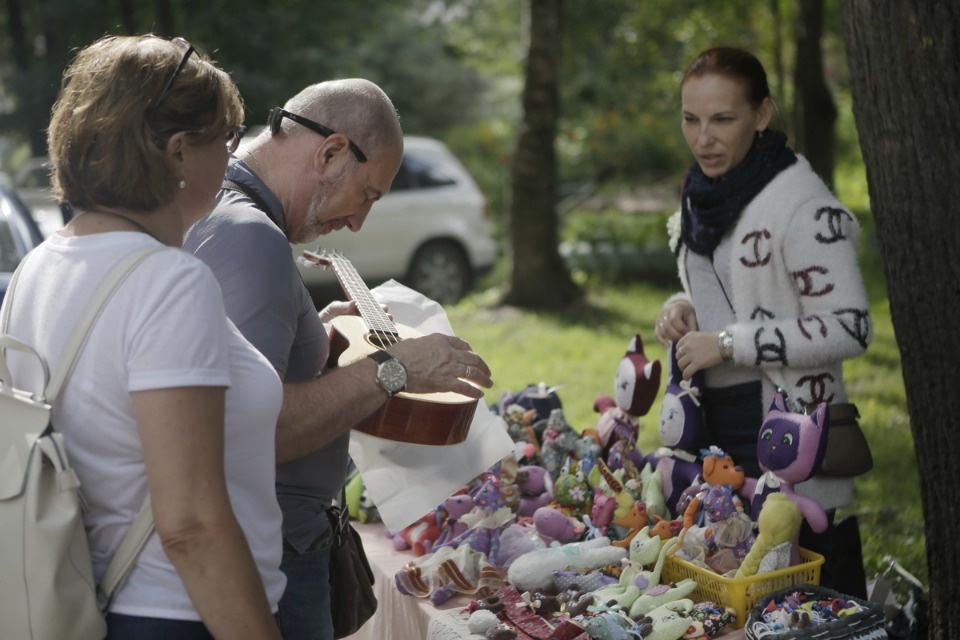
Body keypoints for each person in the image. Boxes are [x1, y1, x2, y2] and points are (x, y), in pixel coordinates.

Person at [183, 78, 493, 639]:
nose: (358, 222)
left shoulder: (223, 207)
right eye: (368, 195)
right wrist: (393, 369)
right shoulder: (253, 236)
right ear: (330, 153)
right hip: (274, 555)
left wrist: (312, 339)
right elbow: (254, 430)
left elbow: (237, 375)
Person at [1, 35, 284, 639]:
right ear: (180, 152)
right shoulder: (169, 282)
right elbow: (191, 527)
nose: (232, 160)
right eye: (227, 140)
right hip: (183, 613)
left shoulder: (40, 265)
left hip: (78, 596)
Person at [653, 46, 872, 594]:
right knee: (725, 588)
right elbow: (721, 286)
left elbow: (849, 325)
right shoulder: (700, 192)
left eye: (723, 119)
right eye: (691, 119)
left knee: (799, 592)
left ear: (762, 114)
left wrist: (726, 343)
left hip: (786, 431)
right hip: (712, 427)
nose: (704, 138)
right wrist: (682, 309)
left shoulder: (801, 205)